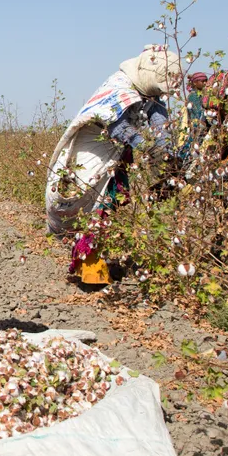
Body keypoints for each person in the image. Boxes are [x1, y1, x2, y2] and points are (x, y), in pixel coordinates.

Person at [45, 45, 182, 285]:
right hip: (94, 149)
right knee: (89, 202)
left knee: (107, 205)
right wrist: (148, 148)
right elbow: (118, 127)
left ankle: (91, 264)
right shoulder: (119, 87)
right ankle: (91, 271)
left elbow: (161, 125)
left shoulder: (151, 96)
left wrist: (168, 154)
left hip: (118, 154)